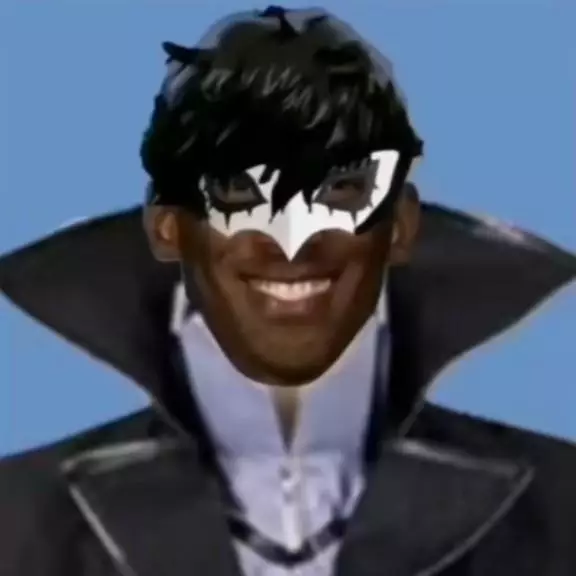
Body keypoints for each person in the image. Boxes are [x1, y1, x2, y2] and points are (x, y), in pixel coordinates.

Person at [0, 6, 575, 576]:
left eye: (342, 189)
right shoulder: (19, 515)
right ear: (167, 225)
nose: (293, 243)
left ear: (400, 224)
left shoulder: (561, 504)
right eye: (237, 190)